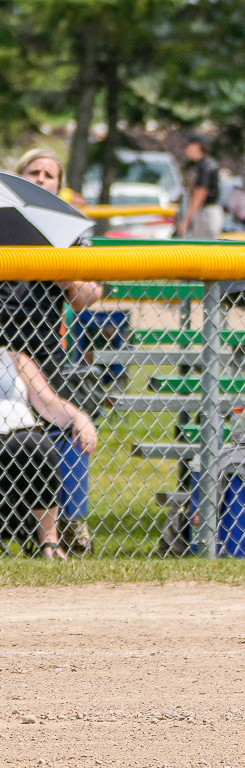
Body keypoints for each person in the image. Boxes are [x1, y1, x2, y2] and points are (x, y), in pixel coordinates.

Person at [8, 147, 105, 555]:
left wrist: (63, 271)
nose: (42, 178)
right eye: (34, 172)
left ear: (59, 187)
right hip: (3, 346)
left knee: (62, 427)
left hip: (44, 350)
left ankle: (66, 521)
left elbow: (88, 295)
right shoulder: (2, 222)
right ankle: (19, 521)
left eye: (50, 175)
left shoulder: (67, 232)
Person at [0, 341, 98, 558]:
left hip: (21, 443)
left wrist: (79, 417)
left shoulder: (15, 360)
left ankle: (49, 541)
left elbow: (49, 403)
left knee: (35, 444)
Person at [179, 135, 224, 239]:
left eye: (188, 147)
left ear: (197, 146)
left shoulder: (206, 165)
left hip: (208, 212)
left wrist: (187, 220)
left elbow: (201, 192)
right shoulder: (201, 164)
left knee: (205, 248)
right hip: (205, 211)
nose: (186, 151)